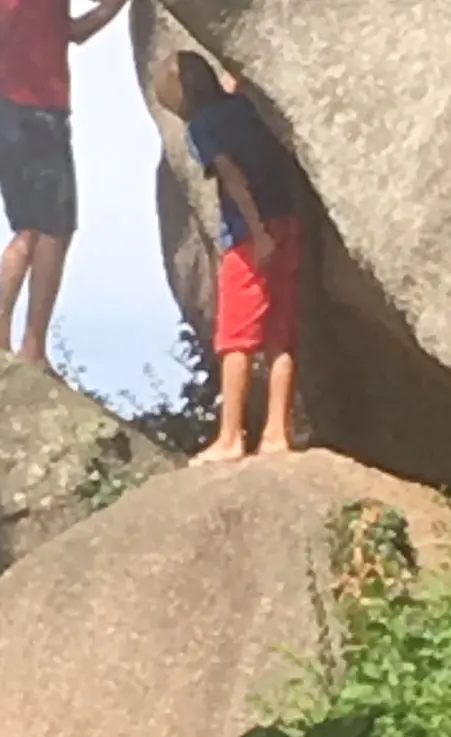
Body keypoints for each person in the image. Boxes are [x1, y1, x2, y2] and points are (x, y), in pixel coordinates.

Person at [154, 51, 302, 465]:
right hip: (287, 219)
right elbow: (237, 84)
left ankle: (231, 436)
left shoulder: (202, 128)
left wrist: (255, 232)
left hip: (249, 237)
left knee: (236, 338)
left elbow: (233, 176)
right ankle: (277, 434)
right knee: (279, 331)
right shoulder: (245, 105)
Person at [0, 0, 129, 374]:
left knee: (27, 230)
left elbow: (69, 31)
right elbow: (79, 31)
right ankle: (33, 347)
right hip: (39, 116)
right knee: (55, 230)